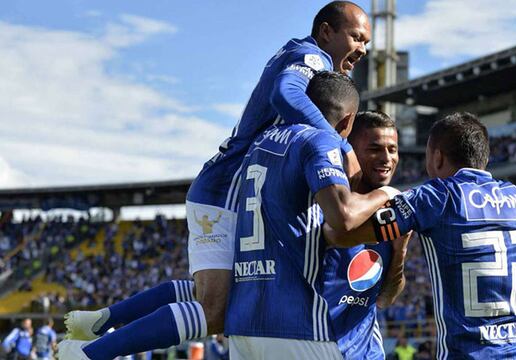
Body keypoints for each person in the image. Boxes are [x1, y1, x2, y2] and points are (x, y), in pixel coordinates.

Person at [58, 2, 371, 358]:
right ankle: (87, 355)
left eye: (366, 43)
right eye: (357, 37)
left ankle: (101, 322)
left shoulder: (298, 53)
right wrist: (338, 142)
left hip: (232, 187)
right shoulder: (313, 57)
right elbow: (285, 92)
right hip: (229, 189)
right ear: (327, 32)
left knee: (226, 289)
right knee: (214, 309)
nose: (362, 49)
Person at [325, 113, 516, 358]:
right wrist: (399, 250)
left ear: (437, 157)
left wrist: (385, 194)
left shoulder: (437, 196)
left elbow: (342, 233)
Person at [225, 72, 398, 359]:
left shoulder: (261, 142)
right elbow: (342, 218)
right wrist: (388, 194)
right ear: (347, 124)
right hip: (298, 326)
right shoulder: (319, 142)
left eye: (393, 149)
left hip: (245, 325)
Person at [323, 110, 410, 359]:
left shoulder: (392, 213)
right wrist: (387, 193)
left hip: (367, 352)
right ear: (351, 151)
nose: (386, 158)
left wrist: (399, 250)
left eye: (392, 150)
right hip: (319, 346)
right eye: (375, 149)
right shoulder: (327, 204)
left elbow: (385, 299)